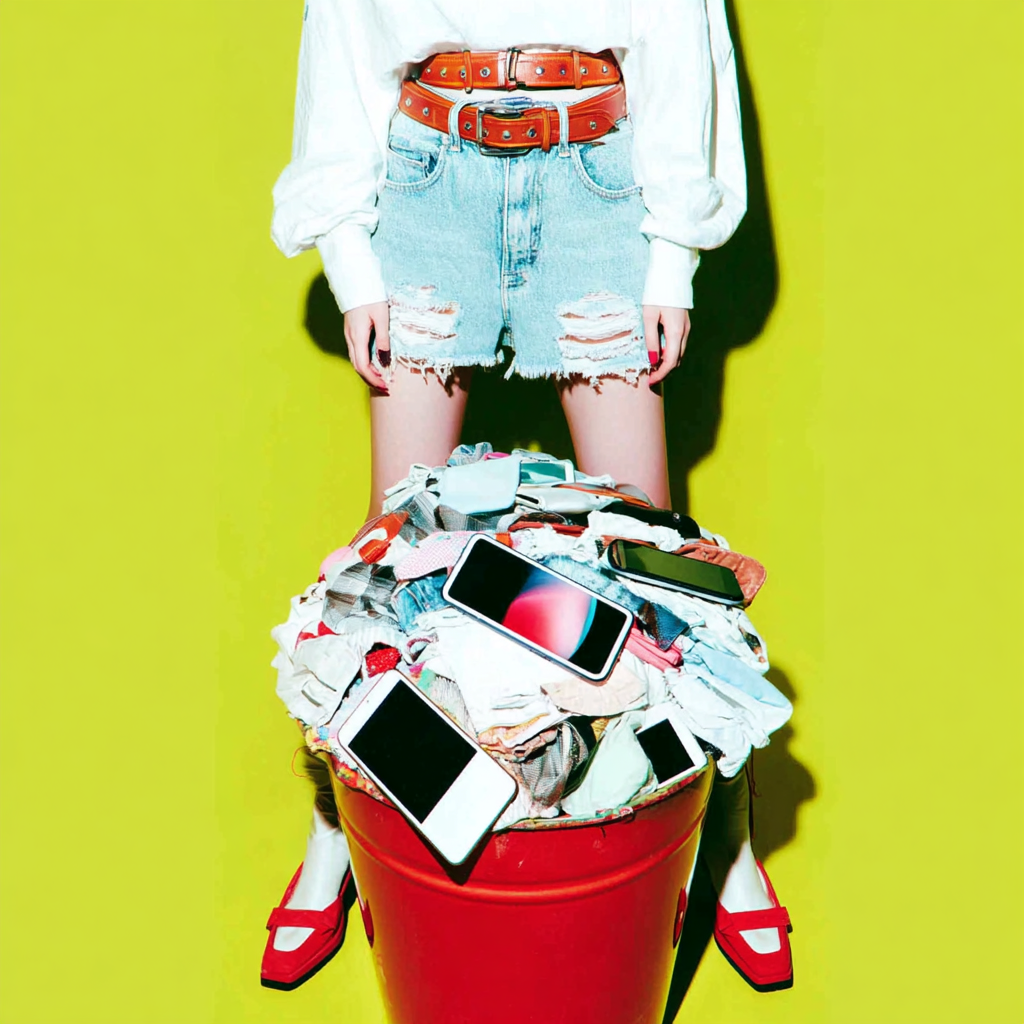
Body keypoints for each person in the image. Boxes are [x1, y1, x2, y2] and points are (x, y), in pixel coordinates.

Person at [262, 0, 793, 996]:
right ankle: (335, 826)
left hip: (598, 174)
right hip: (427, 171)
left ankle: (725, 835)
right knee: (383, 572)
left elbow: (681, 31)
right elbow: (341, 28)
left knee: (653, 570)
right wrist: (349, 257)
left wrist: (671, 258)